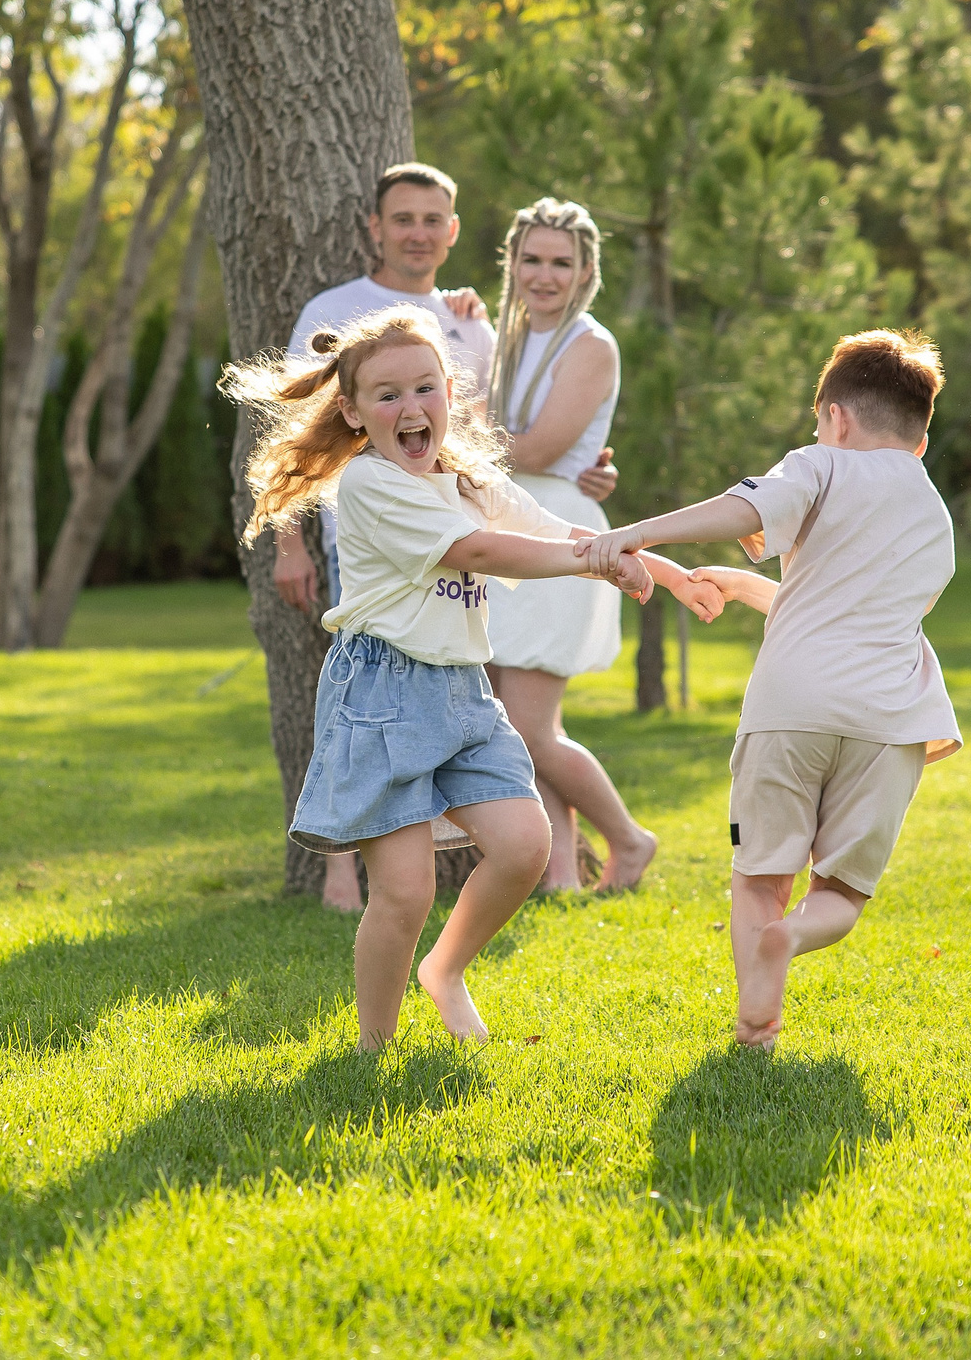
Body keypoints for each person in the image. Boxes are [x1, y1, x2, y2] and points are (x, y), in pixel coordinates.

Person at [226, 306, 697, 1049]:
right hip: (382, 694)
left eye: (425, 387)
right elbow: (483, 553)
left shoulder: (469, 478)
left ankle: (444, 970)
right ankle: (372, 1046)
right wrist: (599, 562)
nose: (411, 408)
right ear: (352, 409)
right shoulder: (373, 484)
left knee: (524, 844)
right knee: (405, 892)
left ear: (450, 390)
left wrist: (667, 569)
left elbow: (560, 531)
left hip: (463, 689)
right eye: (387, 395)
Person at [580, 329, 961, 1050]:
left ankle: (756, 1027)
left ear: (836, 417)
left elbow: (741, 510)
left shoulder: (820, 464)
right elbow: (858, 606)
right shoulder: (934, 512)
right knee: (841, 893)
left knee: (758, 874)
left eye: (820, 423)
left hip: (789, 710)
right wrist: (753, 587)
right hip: (890, 724)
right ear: (919, 439)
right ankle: (789, 939)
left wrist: (635, 532)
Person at [273, 162, 616, 912]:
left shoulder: (469, 321)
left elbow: (491, 441)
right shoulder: (337, 310)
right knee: (370, 743)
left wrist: (584, 486)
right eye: (403, 218)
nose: (419, 232)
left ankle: (538, 870)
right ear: (376, 226)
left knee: (494, 728)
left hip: (466, 575)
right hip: (384, 548)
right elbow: (309, 433)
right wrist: (288, 543)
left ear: (454, 232)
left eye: (434, 219)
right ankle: (340, 877)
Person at [482, 198, 660, 894]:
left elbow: (544, 447)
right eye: (532, 259)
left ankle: (628, 837)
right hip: (504, 527)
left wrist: (454, 440)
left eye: (562, 262)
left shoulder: (591, 344)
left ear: (586, 269)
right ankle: (559, 876)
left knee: (529, 724)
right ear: (512, 262)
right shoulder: (502, 337)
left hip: (558, 532)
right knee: (508, 721)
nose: (545, 274)